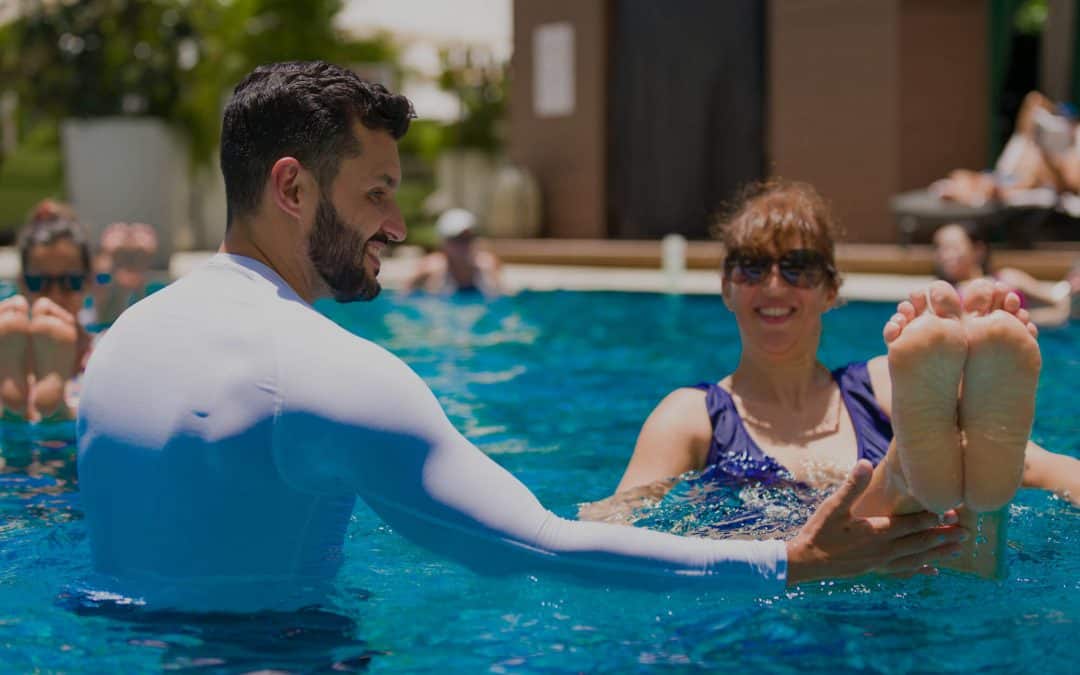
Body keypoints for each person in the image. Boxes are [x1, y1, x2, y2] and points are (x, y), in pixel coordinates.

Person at [76, 62, 967, 614]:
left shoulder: (121, 342)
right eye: (377, 192)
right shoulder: (324, 371)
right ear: (292, 188)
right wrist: (793, 562)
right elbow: (541, 546)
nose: (396, 224)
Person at [585, 182, 1080, 576]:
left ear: (830, 290)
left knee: (968, 510)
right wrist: (792, 556)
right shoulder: (693, 417)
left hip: (923, 582)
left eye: (798, 267)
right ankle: (909, 471)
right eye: (752, 267)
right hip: (806, 591)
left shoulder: (884, 384)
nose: (774, 284)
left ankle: (944, 474)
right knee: (933, 520)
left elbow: (1051, 470)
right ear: (727, 289)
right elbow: (606, 533)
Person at [0, 216, 94, 422]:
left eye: (70, 281)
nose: (55, 294)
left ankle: (18, 409)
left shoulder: (105, 354)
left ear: (88, 282)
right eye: (39, 282)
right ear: (22, 284)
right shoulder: (105, 353)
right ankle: (53, 410)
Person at [933, 222, 1076, 326]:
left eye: (953, 247)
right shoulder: (946, 294)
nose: (945, 255)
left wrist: (1024, 320)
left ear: (978, 250)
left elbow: (1059, 302)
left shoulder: (1008, 278)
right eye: (940, 249)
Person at [403, 208, 503, 296]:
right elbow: (404, 295)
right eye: (457, 239)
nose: (465, 245)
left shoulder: (487, 265)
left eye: (469, 238)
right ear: (443, 243)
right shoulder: (431, 267)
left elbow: (500, 299)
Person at [90, 221, 159, 327]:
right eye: (119, 256)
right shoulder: (102, 282)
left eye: (139, 256)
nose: (129, 265)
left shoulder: (156, 289)